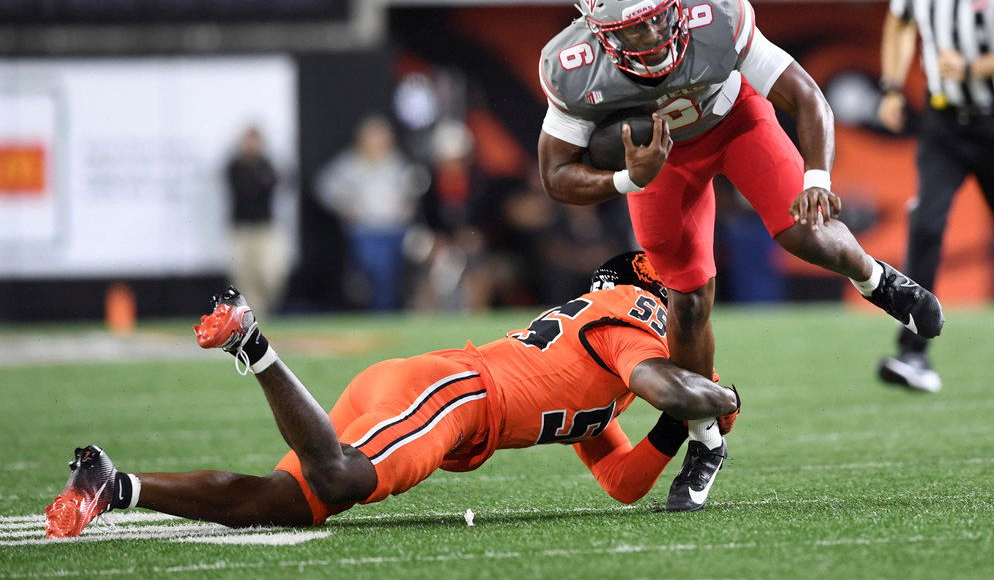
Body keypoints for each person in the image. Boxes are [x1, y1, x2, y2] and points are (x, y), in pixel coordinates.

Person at [537, 0, 945, 512]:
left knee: (802, 230)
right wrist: (629, 179)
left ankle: (877, 279)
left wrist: (817, 175)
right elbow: (556, 175)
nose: (653, 36)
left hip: (735, 122)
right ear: (601, 33)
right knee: (687, 301)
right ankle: (706, 441)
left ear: (676, 4)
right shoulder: (572, 66)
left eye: (658, 17)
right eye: (633, 30)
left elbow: (804, 94)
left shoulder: (719, 15)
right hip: (660, 163)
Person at [43, 252, 740, 538]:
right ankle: (252, 343)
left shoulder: (605, 376)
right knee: (341, 475)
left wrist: (680, 426)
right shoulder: (634, 312)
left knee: (284, 504)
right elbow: (655, 376)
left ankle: (117, 484)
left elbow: (620, 481)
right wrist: (712, 397)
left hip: (431, 389)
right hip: (457, 395)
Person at [876, 0, 994, 392]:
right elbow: (899, 23)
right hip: (944, 126)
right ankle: (914, 354)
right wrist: (893, 86)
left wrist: (976, 67)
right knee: (927, 225)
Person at [315, 115, 420, 311]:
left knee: (390, 276)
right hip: (365, 230)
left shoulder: (397, 163)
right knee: (374, 270)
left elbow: (413, 189)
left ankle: (386, 314)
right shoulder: (349, 164)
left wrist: (408, 207)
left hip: (393, 230)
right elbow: (324, 187)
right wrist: (345, 206)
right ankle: (372, 308)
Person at [225, 125, 288, 317]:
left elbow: (274, 183)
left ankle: (267, 308)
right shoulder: (235, 166)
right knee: (244, 277)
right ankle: (255, 318)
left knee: (270, 274)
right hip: (242, 229)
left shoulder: (266, 165)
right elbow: (245, 189)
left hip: (265, 229)